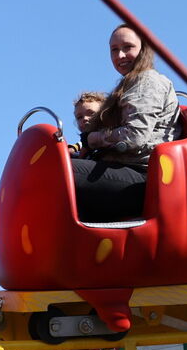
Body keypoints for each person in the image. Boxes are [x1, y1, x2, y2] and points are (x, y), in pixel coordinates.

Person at [71, 24, 178, 222]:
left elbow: (134, 137)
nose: (120, 55)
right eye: (114, 50)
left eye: (127, 47)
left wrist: (92, 139)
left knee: (59, 169)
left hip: (143, 178)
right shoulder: (128, 84)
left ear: (143, 49)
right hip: (123, 170)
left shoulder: (147, 81)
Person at [69, 91, 107, 156]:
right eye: (79, 117)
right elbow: (81, 144)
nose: (85, 118)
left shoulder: (108, 135)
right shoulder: (83, 142)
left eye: (91, 113)